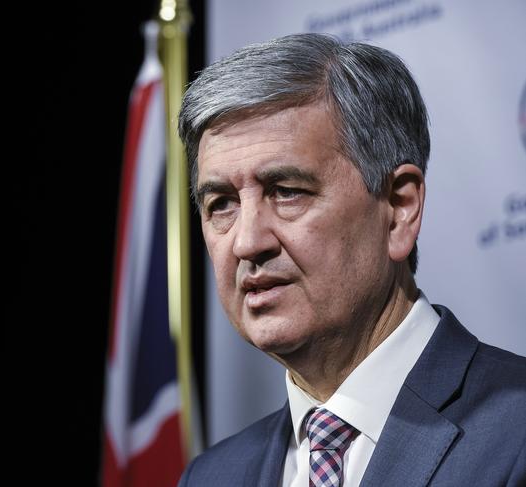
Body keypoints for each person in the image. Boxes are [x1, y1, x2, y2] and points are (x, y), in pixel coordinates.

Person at [177, 33, 526, 486]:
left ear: (399, 209)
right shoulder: (211, 477)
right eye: (221, 203)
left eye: (286, 192)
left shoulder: (516, 431)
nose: (246, 242)